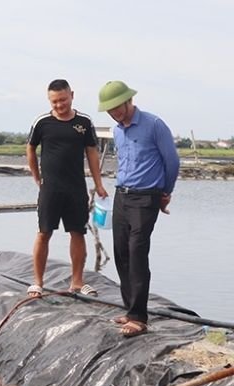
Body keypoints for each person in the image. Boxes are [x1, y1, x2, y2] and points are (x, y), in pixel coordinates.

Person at [97, 81, 180, 337]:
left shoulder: (154, 125)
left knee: (137, 251)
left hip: (147, 198)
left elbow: (172, 161)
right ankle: (130, 309)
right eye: (109, 110)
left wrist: (165, 193)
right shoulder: (117, 132)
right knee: (121, 251)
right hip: (122, 195)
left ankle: (139, 318)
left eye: (116, 107)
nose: (114, 113)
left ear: (128, 101)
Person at [26, 79, 108, 299]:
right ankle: (38, 282)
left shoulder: (84, 122)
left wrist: (98, 184)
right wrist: (37, 177)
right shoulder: (42, 122)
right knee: (44, 233)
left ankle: (77, 282)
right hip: (50, 188)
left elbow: (92, 152)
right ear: (49, 100)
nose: (59, 105)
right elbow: (31, 149)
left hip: (76, 188)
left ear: (72, 95)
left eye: (63, 100)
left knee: (78, 232)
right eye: (54, 102)